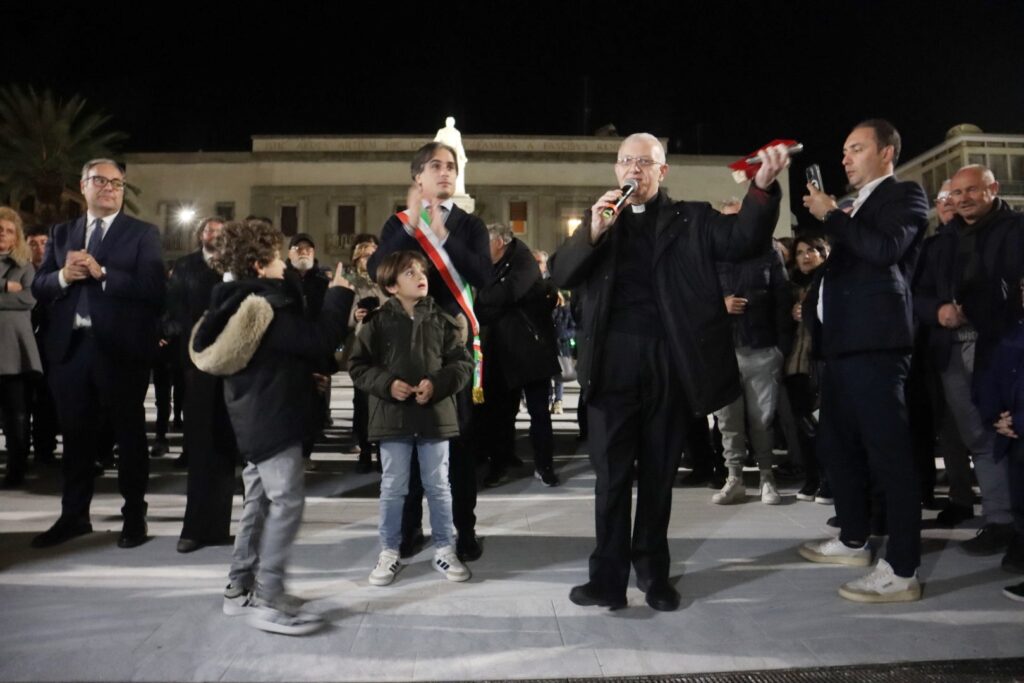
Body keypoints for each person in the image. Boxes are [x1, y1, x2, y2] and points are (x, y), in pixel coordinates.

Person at [549, 133, 789, 611]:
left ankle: (654, 575)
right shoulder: (601, 221)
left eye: (644, 162)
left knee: (659, 476)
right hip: (611, 366)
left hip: (668, 362)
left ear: (663, 171)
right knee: (611, 479)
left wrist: (761, 189)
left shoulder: (693, 219)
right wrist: (592, 231)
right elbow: (559, 274)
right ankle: (607, 579)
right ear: (616, 170)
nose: (633, 170)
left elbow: (745, 238)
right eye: (625, 162)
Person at [190, 219, 353, 635]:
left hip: (255, 415)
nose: (283, 262)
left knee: (259, 502)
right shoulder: (262, 306)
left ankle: (238, 588)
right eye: (277, 256)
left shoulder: (235, 302)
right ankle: (270, 599)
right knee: (287, 504)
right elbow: (318, 340)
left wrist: (303, 375)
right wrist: (338, 295)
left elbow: (279, 356)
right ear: (260, 265)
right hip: (272, 419)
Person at [799, 120, 929, 603]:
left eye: (856, 149)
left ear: (887, 152)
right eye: (844, 151)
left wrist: (833, 214)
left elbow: (884, 249)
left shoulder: (905, 196)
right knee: (837, 447)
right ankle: (853, 538)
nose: (846, 159)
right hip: (841, 349)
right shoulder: (855, 208)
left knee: (890, 457)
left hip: (877, 347)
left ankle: (902, 568)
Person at [30, 159, 165, 549]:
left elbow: (154, 289)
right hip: (70, 351)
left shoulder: (142, 234)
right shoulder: (61, 233)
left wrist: (103, 273)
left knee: (128, 435)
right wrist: (61, 277)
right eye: (100, 181)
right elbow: (39, 286)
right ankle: (73, 516)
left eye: (117, 183)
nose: (109, 188)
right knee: (74, 438)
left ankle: (134, 517)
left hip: (120, 351)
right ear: (83, 185)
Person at [367, 141, 491, 562]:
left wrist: (442, 236)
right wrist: (413, 228)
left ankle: (464, 530)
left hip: (449, 346)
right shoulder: (399, 224)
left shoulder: (470, 226)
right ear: (417, 177)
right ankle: (407, 531)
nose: (445, 172)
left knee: (458, 447)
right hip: (404, 348)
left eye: (451, 166)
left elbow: (482, 275)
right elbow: (377, 268)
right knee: (408, 440)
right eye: (435, 165)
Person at [914, 165, 1023, 551]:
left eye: (971, 190)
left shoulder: (1016, 230)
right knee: (979, 438)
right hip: (953, 350)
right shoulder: (939, 243)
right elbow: (919, 295)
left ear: (993, 189)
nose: (962, 199)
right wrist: (939, 311)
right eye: (956, 193)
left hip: (1007, 348)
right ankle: (1000, 521)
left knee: (1012, 434)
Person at [349, 250, 474, 586]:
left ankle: (445, 548)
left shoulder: (443, 320)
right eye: (409, 272)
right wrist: (388, 384)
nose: (420, 276)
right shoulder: (376, 323)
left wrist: (438, 383)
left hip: (434, 416)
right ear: (391, 286)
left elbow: (463, 364)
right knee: (393, 487)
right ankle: (390, 550)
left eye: (422, 270)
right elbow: (358, 366)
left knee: (439, 486)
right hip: (393, 418)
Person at [166, 216, 240, 553]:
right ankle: (194, 528)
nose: (213, 234)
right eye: (208, 229)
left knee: (226, 448)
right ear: (200, 235)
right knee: (199, 449)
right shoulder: (185, 266)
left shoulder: (238, 266)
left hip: (231, 367)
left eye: (220, 230)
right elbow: (173, 309)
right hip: (196, 366)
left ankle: (218, 527)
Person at [475, 224, 561, 488]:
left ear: (500, 242)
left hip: (531, 350)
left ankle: (544, 466)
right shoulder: (490, 264)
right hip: (501, 351)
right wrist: (489, 302)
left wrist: (487, 299)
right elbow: (485, 306)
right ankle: (500, 462)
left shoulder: (523, 259)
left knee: (539, 413)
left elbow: (505, 294)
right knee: (500, 414)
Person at [710, 243, 791, 505]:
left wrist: (781, 348)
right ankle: (734, 478)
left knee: (762, 419)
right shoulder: (710, 253)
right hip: (722, 350)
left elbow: (783, 298)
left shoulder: (767, 253)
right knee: (727, 420)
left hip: (762, 347)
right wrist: (719, 305)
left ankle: (767, 476)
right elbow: (692, 298)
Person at [787, 235, 832, 504]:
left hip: (822, 362)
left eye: (812, 251)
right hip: (795, 365)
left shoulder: (829, 280)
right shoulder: (789, 286)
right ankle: (812, 478)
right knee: (803, 425)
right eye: (801, 251)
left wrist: (809, 311)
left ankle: (830, 480)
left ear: (823, 253)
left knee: (825, 425)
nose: (806, 256)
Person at [0, 207, 42, 488]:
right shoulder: (12, 275)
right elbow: (16, 295)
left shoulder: (26, 266)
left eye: (8, 230)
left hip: (13, 350)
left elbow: (29, 300)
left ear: (17, 237)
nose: (2, 235)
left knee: (16, 412)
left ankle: (17, 467)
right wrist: (5, 286)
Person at [344, 238, 385, 473]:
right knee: (361, 402)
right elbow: (344, 317)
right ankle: (364, 450)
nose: (370, 259)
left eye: (374, 255)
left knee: (380, 401)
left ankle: (380, 449)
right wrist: (356, 315)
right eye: (365, 256)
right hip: (361, 348)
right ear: (358, 260)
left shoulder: (385, 281)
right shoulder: (352, 284)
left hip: (383, 348)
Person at [25, 226, 58, 465]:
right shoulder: (20, 272)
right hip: (22, 346)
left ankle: (44, 448)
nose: (39, 249)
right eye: (33, 243)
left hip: (49, 346)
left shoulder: (56, 275)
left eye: (44, 243)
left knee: (46, 400)